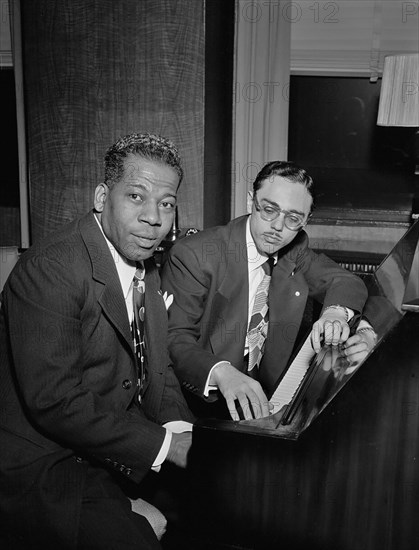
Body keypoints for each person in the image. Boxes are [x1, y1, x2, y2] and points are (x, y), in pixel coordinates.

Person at [0, 133, 194, 549]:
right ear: (102, 197)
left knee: (205, 515)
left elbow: (157, 367)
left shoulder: (145, 263)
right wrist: (165, 445)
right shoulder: (50, 269)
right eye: (137, 197)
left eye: (167, 203)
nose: (153, 219)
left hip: (97, 447)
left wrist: (182, 430)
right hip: (45, 463)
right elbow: (55, 402)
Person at [162, 161, 372, 421]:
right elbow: (174, 339)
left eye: (293, 218)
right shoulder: (195, 255)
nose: (278, 227)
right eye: (270, 210)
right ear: (251, 200)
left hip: (265, 397)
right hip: (199, 406)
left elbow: (346, 282)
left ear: (306, 220)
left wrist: (337, 314)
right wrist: (221, 372)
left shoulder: (294, 249)